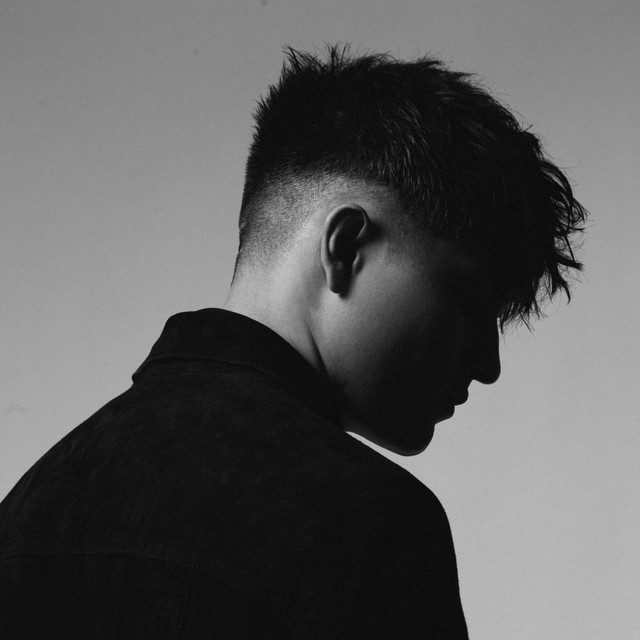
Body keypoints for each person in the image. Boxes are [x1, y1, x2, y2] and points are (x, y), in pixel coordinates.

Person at [0, 45, 586, 638]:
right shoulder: (371, 523)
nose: (488, 364)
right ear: (346, 248)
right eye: (471, 301)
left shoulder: (30, 505)